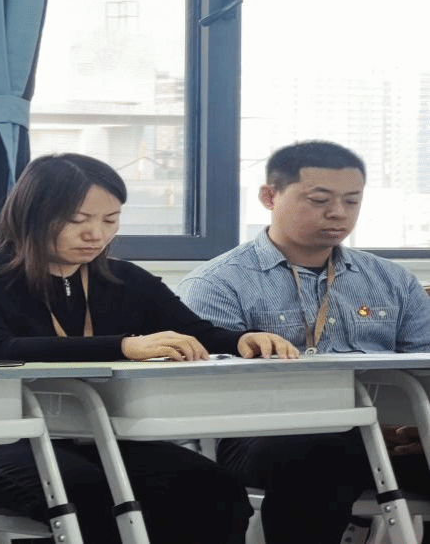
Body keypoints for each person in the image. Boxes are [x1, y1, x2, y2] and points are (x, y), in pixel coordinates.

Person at [0, 153, 295, 544]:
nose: (96, 235)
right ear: (31, 216)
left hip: (96, 438)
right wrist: (124, 346)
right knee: (89, 493)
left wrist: (240, 340)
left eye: (110, 220)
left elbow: (192, 331)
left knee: (214, 490)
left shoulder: (124, 280)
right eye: (78, 220)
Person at [178, 140, 430, 543]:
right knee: (321, 454)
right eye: (319, 200)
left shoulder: (393, 280)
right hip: (262, 435)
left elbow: (423, 366)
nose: (338, 213)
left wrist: (416, 425)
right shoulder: (217, 283)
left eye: (352, 201)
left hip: (384, 434)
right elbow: (214, 392)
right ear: (269, 196)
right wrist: (350, 425)